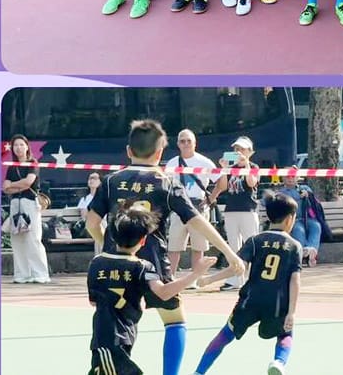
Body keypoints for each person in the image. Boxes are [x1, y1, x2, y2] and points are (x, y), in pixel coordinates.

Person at [86, 119, 246, 375]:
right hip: (153, 262)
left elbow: (91, 222)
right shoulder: (167, 182)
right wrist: (229, 252)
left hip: (114, 261)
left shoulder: (111, 181)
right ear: (160, 152)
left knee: (116, 325)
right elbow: (196, 220)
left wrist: (109, 245)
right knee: (174, 321)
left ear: (128, 151)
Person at [88, 206, 214, 375]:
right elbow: (164, 293)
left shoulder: (96, 263)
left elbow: (93, 301)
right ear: (143, 240)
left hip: (105, 338)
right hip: (116, 341)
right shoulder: (143, 267)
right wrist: (195, 274)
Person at [191, 193, 303, 375]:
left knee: (225, 335)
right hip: (277, 303)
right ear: (290, 219)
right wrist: (291, 312)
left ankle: (199, 371)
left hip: (250, 300)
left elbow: (237, 268)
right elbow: (294, 280)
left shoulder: (255, 241)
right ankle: (278, 362)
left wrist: (210, 279)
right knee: (285, 333)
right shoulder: (294, 246)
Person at [208, 137, 261, 290]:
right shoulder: (231, 168)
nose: (239, 152)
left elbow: (251, 182)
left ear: (250, 152)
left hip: (248, 210)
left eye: (242, 149)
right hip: (231, 210)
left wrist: (246, 164)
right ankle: (235, 279)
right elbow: (224, 186)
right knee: (233, 246)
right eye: (236, 149)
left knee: (251, 244)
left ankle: (254, 278)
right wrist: (224, 169)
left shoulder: (254, 167)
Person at [163, 129, 217, 278]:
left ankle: (195, 279)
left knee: (198, 247)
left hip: (198, 207)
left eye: (189, 141)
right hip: (178, 208)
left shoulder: (204, 162)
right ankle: (170, 278)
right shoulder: (172, 163)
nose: (186, 144)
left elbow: (221, 181)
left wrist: (210, 199)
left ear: (195, 143)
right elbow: (164, 184)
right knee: (174, 247)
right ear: (178, 144)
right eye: (182, 141)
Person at [3, 134, 50, 284]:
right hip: (15, 204)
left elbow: (28, 182)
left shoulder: (32, 163)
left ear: (27, 147)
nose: (18, 148)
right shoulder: (11, 167)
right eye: (15, 145)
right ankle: (22, 274)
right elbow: (5, 188)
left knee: (33, 239)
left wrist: (13, 185)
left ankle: (40, 274)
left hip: (30, 203)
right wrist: (17, 186)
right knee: (17, 240)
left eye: (21, 145)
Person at [277, 172, 327, 265]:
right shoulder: (281, 192)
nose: (290, 179)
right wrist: (298, 196)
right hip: (293, 220)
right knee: (299, 230)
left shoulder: (304, 188)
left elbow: (313, 200)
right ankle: (302, 254)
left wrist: (308, 194)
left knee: (316, 226)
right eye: (287, 176)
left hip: (307, 218)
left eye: (293, 176)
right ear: (283, 178)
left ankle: (311, 251)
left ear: (297, 178)